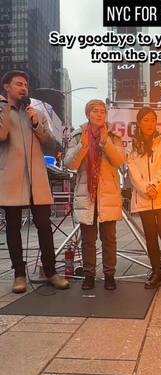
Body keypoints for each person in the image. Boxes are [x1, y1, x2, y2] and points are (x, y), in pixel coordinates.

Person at [0, 70, 70, 293]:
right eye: (18, 84)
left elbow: (51, 144)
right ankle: (19, 274)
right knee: (13, 227)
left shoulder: (35, 112)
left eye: (26, 85)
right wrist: (3, 107)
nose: (23, 88)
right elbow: (1, 136)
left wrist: (37, 123)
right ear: (7, 88)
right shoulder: (2, 111)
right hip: (11, 179)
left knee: (43, 225)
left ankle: (51, 271)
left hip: (37, 179)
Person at [64, 100, 126, 290]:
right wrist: (82, 147)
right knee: (88, 240)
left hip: (108, 194)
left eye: (102, 111)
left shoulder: (114, 136)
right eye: (95, 111)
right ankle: (89, 275)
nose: (99, 114)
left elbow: (119, 161)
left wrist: (105, 142)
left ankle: (109, 275)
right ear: (88, 114)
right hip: (87, 194)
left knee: (109, 238)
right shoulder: (77, 135)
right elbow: (70, 164)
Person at [127, 107, 161, 290]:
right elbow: (132, 171)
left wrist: (155, 186)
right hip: (144, 199)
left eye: (152, 120)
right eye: (146, 120)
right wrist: (145, 189)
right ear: (139, 123)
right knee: (150, 237)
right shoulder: (134, 145)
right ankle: (157, 273)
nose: (150, 124)